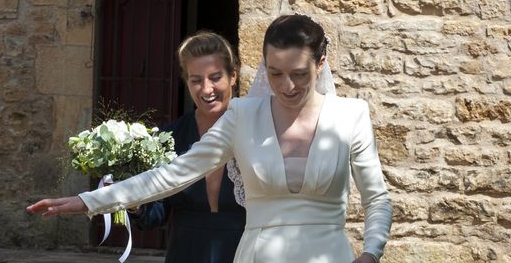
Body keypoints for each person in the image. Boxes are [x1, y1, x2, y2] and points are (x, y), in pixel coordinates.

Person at [28, 14, 393, 263]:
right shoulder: (242, 116)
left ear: (322, 62)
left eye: (299, 73)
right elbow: (173, 175)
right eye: (275, 73)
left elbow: (377, 198)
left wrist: (371, 252)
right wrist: (87, 201)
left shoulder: (351, 114)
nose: (287, 86)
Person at [128, 31, 245, 262]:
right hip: (185, 250)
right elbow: (155, 214)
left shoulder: (255, 132)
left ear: (233, 76)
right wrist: (135, 203)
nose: (206, 89)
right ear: (187, 81)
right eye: (196, 80)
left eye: (215, 77)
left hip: (243, 249)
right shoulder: (170, 137)